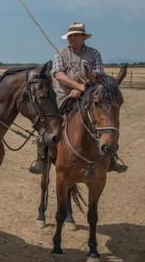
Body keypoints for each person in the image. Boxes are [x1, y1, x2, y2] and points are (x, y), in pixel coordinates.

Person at [29, 22, 127, 174]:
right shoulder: (61, 54)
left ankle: (112, 157)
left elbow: (97, 74)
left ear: (83, 37)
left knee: (107, 118)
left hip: (90, 94)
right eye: (70, 36)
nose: (72, 38)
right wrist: (76, 87)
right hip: (64, 96)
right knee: (48, 122)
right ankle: (42, 158)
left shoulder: (94, 54)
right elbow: (59, 75)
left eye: (76, 35)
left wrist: (83, 89)